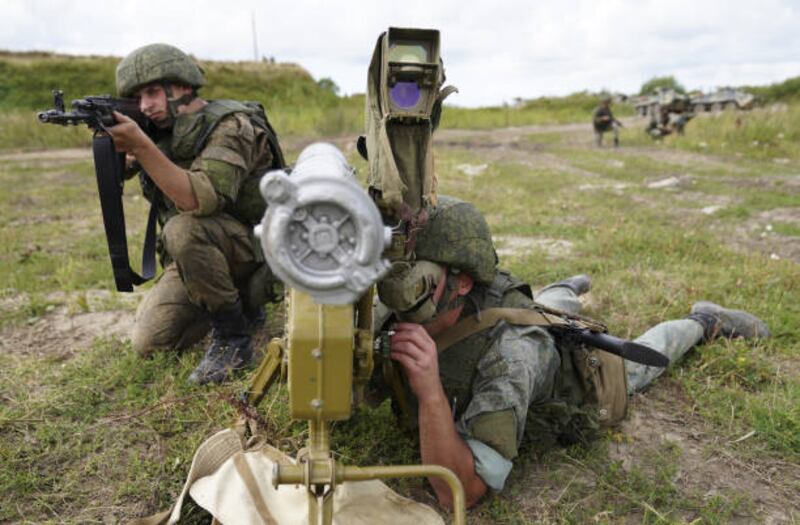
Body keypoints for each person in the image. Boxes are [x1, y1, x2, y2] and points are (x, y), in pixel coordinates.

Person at [375, 196, 771, 509]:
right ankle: (565, 289)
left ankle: (702, 321)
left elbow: (460, 491)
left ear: (461, 284)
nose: (397, 289)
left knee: (636, 363)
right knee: (549, 304)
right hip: (523, 316)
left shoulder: (511, 356)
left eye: (415, 278)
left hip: (581, 378)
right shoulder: (402, 303)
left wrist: (430, 394)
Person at [107, 43, 284, 385]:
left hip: (254, 247)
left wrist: (142, 148)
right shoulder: (164, 132)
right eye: (138, 98)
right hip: (201, 256)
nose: (146, 105)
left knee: (182, 229)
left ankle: (233, 339)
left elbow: (200, 199)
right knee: (151, 344)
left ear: (183, 85)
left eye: (153, 92)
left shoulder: (232, 126)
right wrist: (120, 151)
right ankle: (239, 306)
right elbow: (125, 172)